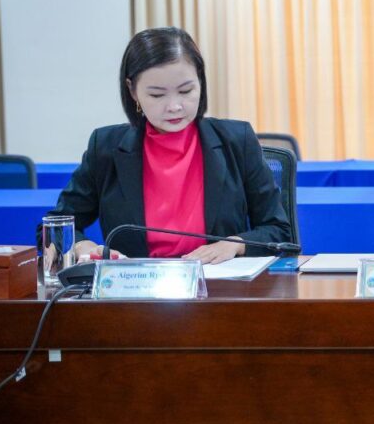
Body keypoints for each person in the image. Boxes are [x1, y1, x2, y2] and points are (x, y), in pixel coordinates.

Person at [49, 27, 291, 263]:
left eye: (186, 91)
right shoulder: (105, 147)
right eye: (157, 95)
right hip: (135, 285)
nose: (174, 106)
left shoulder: (238, 140)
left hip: (218, 283)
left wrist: (235, 244)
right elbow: (55, 227)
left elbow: (279, 232)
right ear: (132, 90)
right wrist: (82, 245)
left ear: (200, 81)